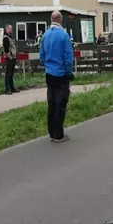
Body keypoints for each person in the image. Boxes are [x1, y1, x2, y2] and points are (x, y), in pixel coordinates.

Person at [40, 11, 74, 143]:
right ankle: (58, 134)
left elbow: (41, 56)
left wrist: (47, 65)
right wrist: (69, 72)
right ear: (60, 20)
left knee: (51, 104)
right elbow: (68, 56)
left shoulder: (45, 36)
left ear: (51, 20)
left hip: (49, 74)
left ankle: (51, 132)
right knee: (61, 104)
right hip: (61, 74)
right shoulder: (63, 35)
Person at [2, 24, 19, 95]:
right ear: (7, 29)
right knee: (8, 74)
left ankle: (12, 87)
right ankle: (7, 89)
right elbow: (6, 49)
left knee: (11, 74)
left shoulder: (10, 37)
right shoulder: (6, 38)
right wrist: (10, 57)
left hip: (13, 57)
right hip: (9, 58)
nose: (12, 30)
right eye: (10, 29)